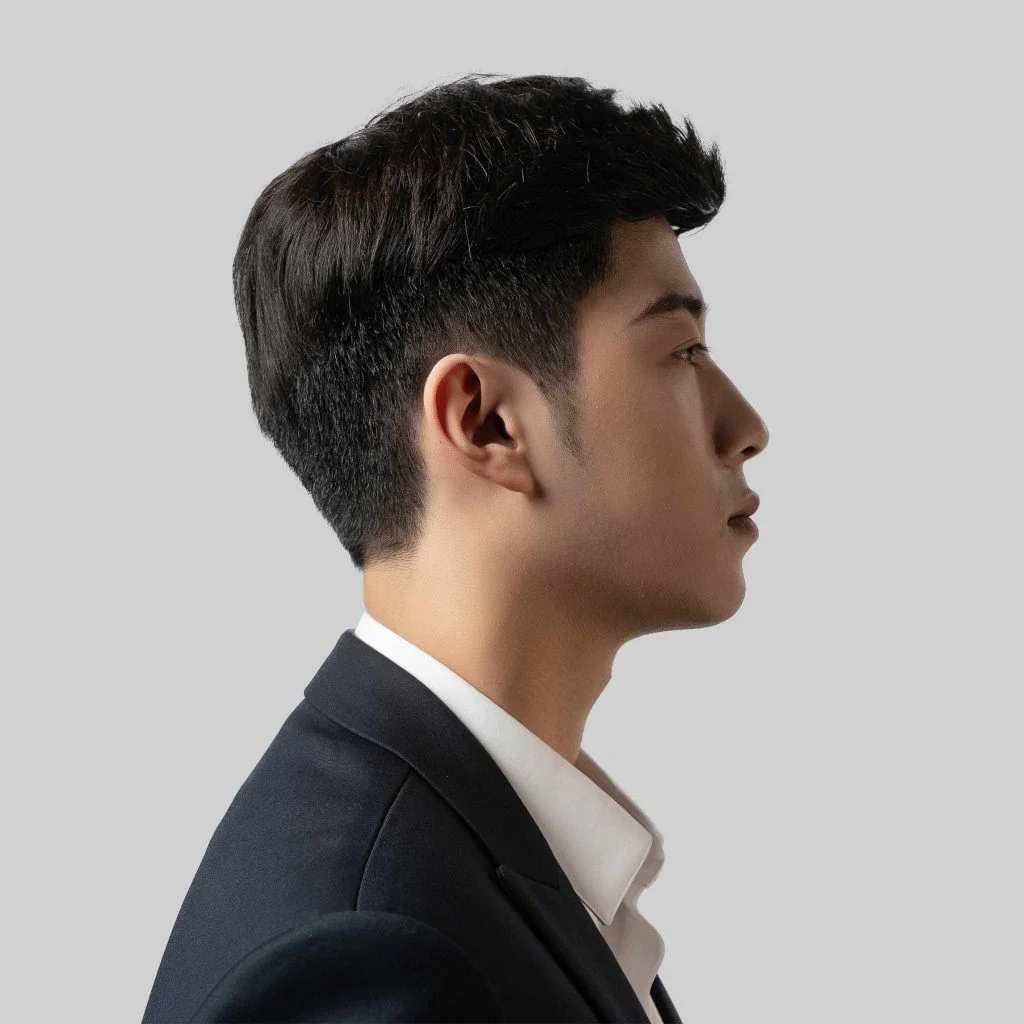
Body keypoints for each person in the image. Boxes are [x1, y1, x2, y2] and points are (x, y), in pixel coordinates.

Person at [142, 71, 769, 1023]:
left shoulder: (470, 845)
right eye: (681, 351)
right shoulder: (371, 947)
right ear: (485, 423)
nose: (746, 426)